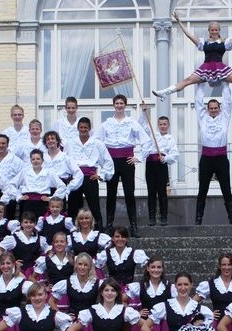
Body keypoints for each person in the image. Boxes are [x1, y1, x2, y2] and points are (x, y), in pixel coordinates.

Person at [152, 12, 232, 101]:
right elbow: (189, 35)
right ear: (209, 31)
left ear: (219, 31)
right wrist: (179, 21)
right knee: (187, 80)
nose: (214, 31)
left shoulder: (225, 42)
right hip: (206, 68)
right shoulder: (204, 42)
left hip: (220, 68)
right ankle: (165, 93)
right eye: (212, 30)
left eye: (216, 30)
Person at [95, 94, 150, 235]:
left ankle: (133, 226)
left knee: (129, 193)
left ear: (125, 105)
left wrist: (138, 157)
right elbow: (97, 143)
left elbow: (146, 141)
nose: (119, 106)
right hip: (112, 161)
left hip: (127, 160)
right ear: (114, 105)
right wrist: (103, 161)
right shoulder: (106, 124)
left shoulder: (132, 123)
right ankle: (109, 225)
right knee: (111, 193)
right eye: (117, 103)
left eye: (121, 103)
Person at [193, 81, 232, 224]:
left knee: (226, 189)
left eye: (215, 108)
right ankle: (198, 219)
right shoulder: (203, 118)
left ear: (219, 108)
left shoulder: (224, 117)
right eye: (210, 108)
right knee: (202, 190)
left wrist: (224, 83)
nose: (213, 110)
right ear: (207, 109)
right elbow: (198, 102)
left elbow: (228, 101)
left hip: (221, 159)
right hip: (206, 158)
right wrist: (201, 84)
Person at [65, 117, 114, 229]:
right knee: (73, 207)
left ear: (89, 128)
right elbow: (65, 160)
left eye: (85, 127)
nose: (83, 129)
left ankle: (100, 232)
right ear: (77, 128)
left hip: (90, 178)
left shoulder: (97, 143)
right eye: (81, 127)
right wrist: (68, 176)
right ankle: (72, 233)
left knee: (94, 207)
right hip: (75, 178)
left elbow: (107, 161)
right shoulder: (70, 143)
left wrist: (101, 175)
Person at [139, 105, 179, 226]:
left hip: (161, 166)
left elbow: (175, 154)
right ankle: (151, 218)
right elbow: (142, 125)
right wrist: (143, 112)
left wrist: (165, 158)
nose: (162, 126)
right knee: (151, 192)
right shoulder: (152, 134)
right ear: (158, 125)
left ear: (168, 125)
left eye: (165, 124)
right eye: (160, 124)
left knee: (162, 192)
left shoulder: (170, 139)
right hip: (150, 165)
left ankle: (163, 218)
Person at [9, 148, 68, 220]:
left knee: (41, 224)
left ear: (42, 160)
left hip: (42, 203)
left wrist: (51, 199)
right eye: (33, 159)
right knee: (28, 223)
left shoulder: (48, 172)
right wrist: (19, 196)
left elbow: (62, 186)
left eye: (38, 159)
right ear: (30, 160)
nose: (35, 161)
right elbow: (12, 184)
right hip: (27, 203)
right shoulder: (25, 172)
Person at [0, 212, 51, 278]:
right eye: (26, 222)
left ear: (35, 224)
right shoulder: (13, 238)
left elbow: (49, 251)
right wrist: (10, 262)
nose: (28, 225)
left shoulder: (40, 239)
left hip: (34, 274)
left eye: (31, 222)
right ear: (21, 224)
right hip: (18, 272)